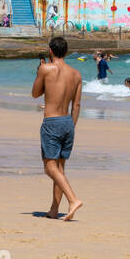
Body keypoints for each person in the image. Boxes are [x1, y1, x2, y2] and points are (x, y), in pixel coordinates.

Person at [33, 36, 83, 221]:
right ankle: (54, 210)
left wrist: (40, 72)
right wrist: (72, 125)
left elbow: (35, 93)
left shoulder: (45, 69)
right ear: (67, 52)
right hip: (68, 122)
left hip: (52, 122)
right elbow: (76, 105)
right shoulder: (76, 74)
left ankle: (73, 199)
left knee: (49, 167)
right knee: (59, 168)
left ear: (50, 51)